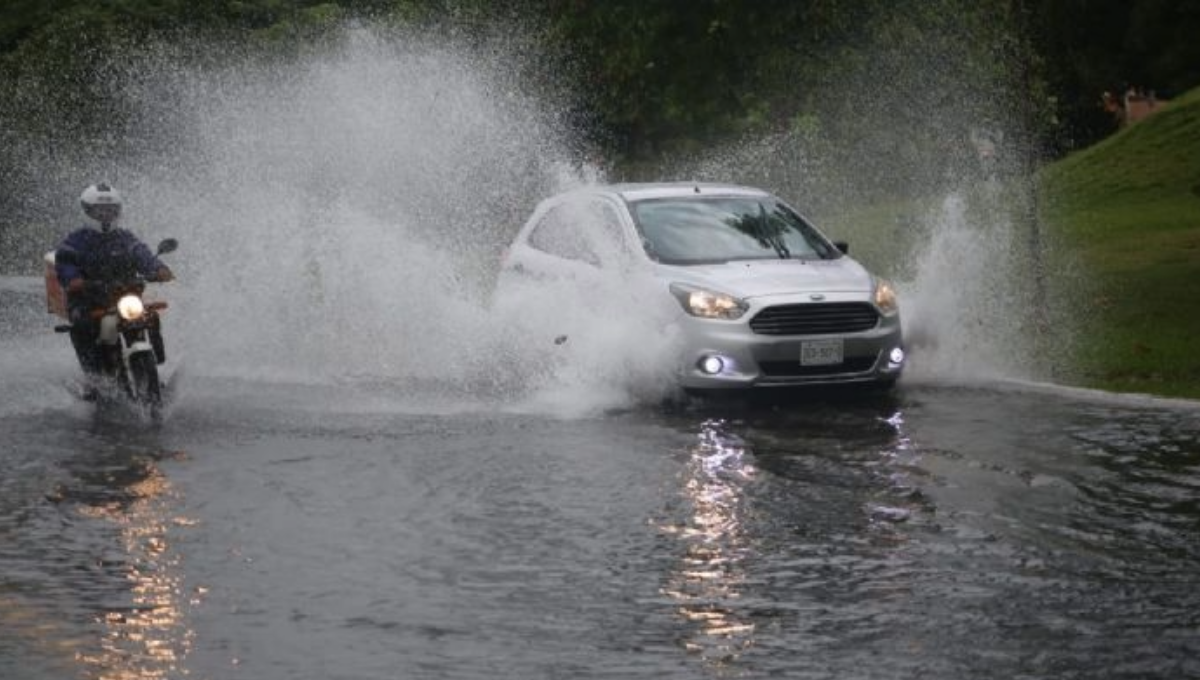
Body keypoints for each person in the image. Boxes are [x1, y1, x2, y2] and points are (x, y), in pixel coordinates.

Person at [54, 183, 174, 388]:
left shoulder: (125, 238)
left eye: (111, 210)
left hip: (122, 297)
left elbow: (142, 254)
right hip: (88, 300)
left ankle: (153, 363)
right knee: (82, 324)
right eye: (100, 210)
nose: (105, 214)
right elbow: (65, 265)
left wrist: (158, 268)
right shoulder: (74, 242)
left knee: (149, 317)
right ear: (87, 211)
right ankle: (94, 380)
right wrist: (74, 280)